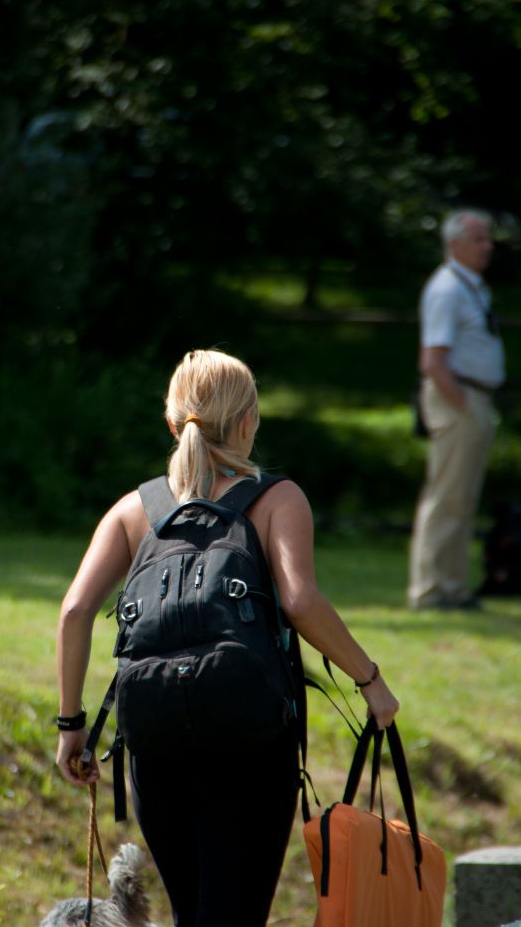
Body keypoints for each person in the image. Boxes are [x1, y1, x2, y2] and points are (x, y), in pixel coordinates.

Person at [56, 349, 400, 927]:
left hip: (155, 740)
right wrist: (370, 680)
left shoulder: (133, 511)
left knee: (195, 914)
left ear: (172, 422)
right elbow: (300, 603)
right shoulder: (276, 499)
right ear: (248, 422)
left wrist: (71, 727)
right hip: (251, 745)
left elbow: (73, 612)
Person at [408, 210, 506, 610]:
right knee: (446, 495)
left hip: (473, 397)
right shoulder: (447, 288)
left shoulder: (471, 287)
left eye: (488, 239)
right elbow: (432, 360)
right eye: (479, 239)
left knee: (462, 498)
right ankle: (429, 590)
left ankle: (452, 586)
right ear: (455, 244)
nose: (489, 247)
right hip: (457, 397)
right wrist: (463, 405)